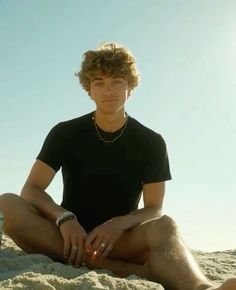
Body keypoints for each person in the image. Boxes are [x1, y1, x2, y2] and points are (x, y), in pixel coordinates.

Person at [0, 43, 235, 290]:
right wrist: (64, 218)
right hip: (69, 236)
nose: (108, 91)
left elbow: (154, 208)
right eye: (99, 82)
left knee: (166, 225)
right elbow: (32, 189)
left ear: (130, 86)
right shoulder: (65, 133)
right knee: (7, 202)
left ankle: (201, 287)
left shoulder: (151, 142)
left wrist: (119, 224)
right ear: (89, 89)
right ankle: (120, 267)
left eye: (117, 82)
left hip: (121, 240)